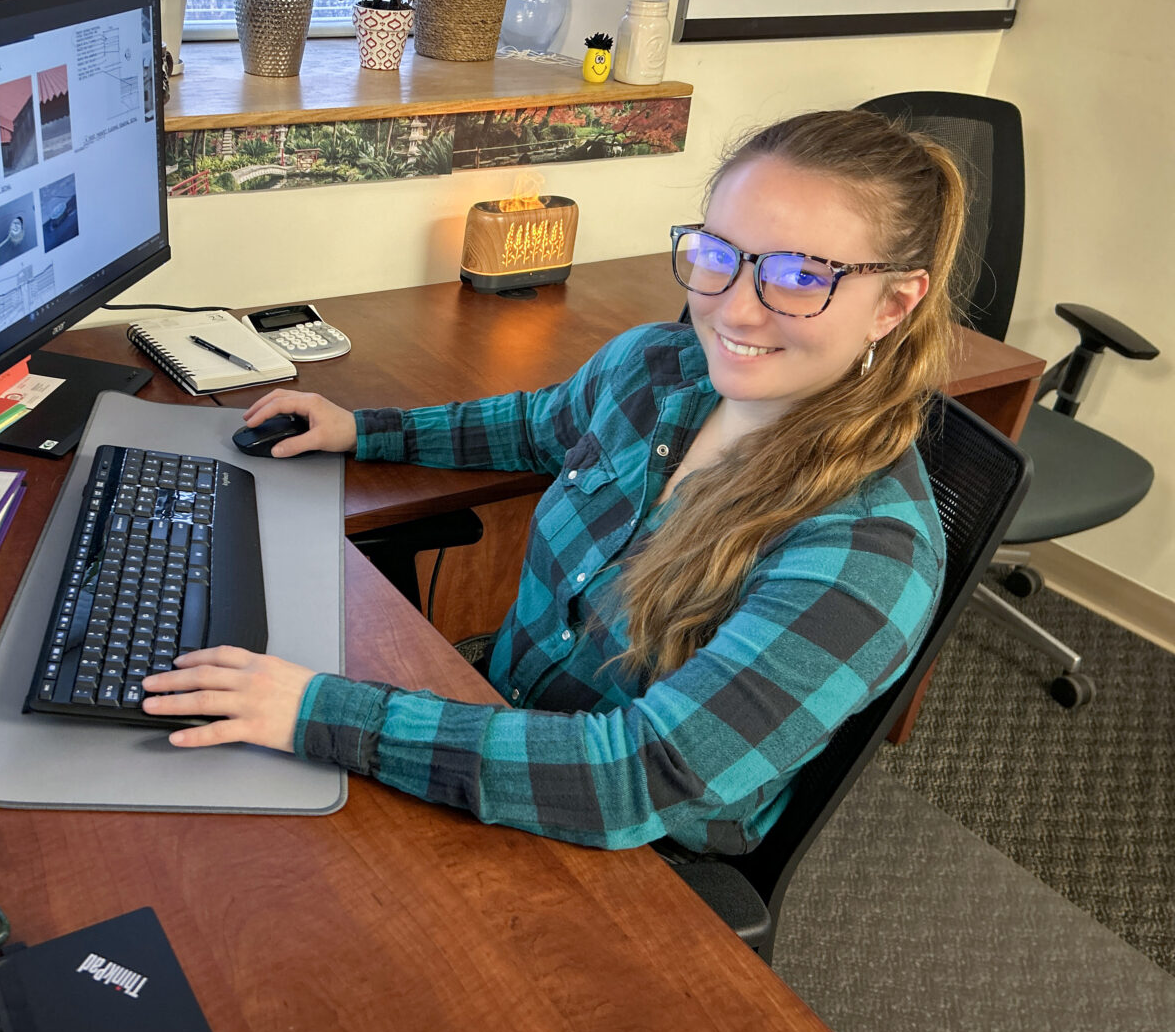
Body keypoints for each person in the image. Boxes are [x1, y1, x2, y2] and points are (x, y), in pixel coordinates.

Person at [144, 109, 966, 854]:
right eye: (719, 255)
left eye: (798, 275)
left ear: (894, 303)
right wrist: (364, 428)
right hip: (489, 716)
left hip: (624, 848)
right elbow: (537, 424)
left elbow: (633, 779)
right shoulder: (656, 367)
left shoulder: (867, 554)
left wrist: (318, 713)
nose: (735, 310)